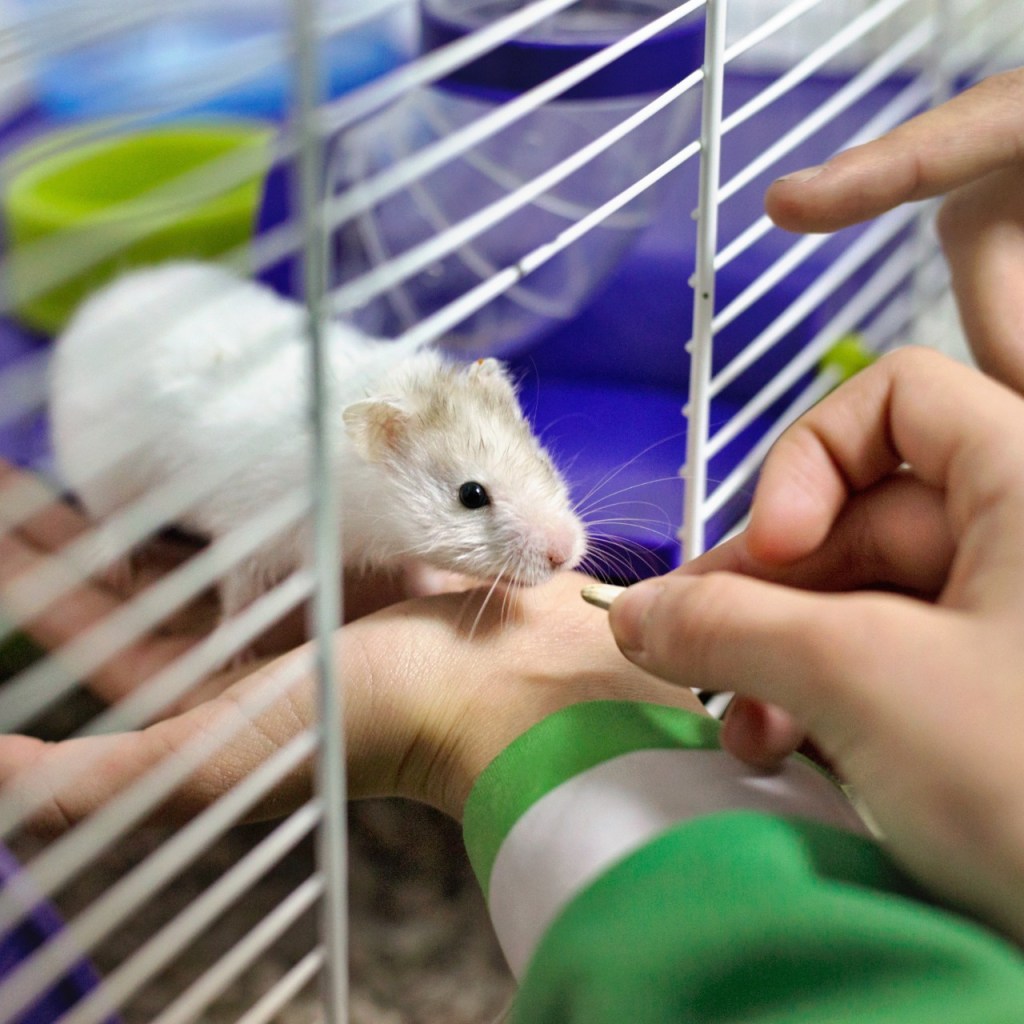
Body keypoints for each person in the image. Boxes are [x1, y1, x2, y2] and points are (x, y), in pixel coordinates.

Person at [1, 67, 1023, 1021]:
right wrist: (246, 611)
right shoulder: (317, 448)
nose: (560, 543)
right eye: (480, 499)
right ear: (376, 449)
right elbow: (252, 531)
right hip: (120, 395)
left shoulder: (426, 407)